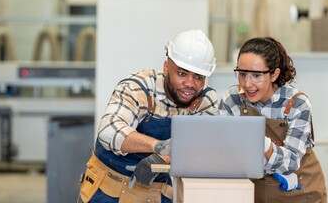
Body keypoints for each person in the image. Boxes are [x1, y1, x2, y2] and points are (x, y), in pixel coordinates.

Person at [79, 29, 218, 203]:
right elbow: (108, 130)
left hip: (156, 193)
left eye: (198, 77)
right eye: (182, 74)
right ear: (166, 68)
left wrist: (163, 157)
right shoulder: (139, 87)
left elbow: (200, 144)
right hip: (108, 189)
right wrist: (157, 146)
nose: (190, 84)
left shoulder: (205, 100)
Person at [219, 36, 327, 202]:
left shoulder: (297, 104)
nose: (247, 84)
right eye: (242, 74)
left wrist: (262, 145)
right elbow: (227, 154)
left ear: (274, 74)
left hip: (301, 193)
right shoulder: (232, 98)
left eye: (256, 75)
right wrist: (271, 160)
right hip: (258, 194)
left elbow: (291, 163)